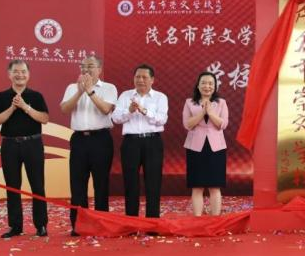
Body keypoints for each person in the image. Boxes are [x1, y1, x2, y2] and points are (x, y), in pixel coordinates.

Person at [0, 60, 49, 238]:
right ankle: (15, 226)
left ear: (28, 74)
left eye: (23, 71)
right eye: (16, 71)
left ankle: (41, 225)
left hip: (33, 144)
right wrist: (12, 107)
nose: (20, 75)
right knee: (12, 186)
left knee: (38, 185)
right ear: (9, 74)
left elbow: (44, 118)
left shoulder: (36, 96)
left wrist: (25, 107)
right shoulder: (1, 96)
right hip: (9, 145)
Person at [60, 56, 117, 236]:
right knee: (77, 184)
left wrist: (90, 91)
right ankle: (79, 224)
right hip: (79, 140)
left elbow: (106, 109)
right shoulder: (71, 87)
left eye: (90, 66)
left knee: (101, 183)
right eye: (83, 66)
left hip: (101, 139)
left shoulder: (108, 88)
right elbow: (65, 109)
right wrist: (79, 91)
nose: (86, 70)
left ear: (99, 69)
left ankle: (102, 224)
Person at [111, 64, 168, 221]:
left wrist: (144, 111)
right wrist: (129, 110)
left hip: (153, 142)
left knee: (153, 183)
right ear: (133, 78)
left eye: (144, 77)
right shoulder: (125, 96)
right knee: (131, 183)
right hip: (131, 143)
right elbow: (115, 118)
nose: (140, 80)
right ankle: (131, 221)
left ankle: (152, 222)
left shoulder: (160, 97)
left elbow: (162, 119)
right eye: (137, 77)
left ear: (152, 80)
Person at [182, 72, 229, 216]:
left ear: (215, 87)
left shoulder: (221, 103)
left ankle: (215, 219)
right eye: (203, 83)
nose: (207, 86)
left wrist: (210, 112)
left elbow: (223, 124)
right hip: (195, 147)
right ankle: (197, 219)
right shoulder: (189, 102)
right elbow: (187, 124)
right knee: (197, 187)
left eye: (210, 83)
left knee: (215, 187)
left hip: (216, 148)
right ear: (198, 85)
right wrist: (202, 113)